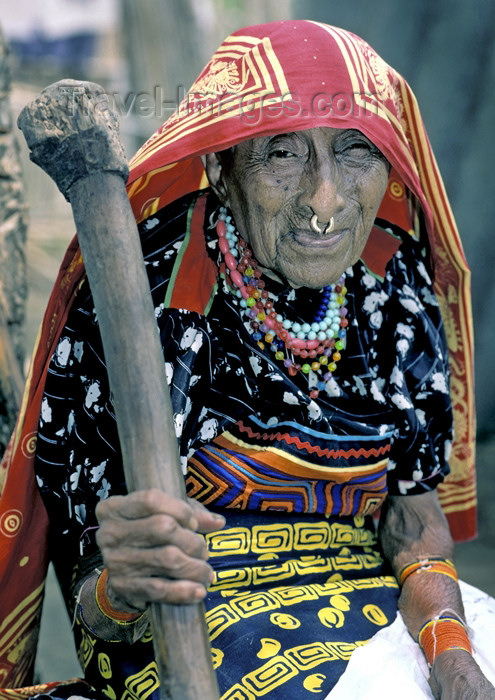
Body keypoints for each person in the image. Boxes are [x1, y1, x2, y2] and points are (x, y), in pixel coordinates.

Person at [1, 19, 494, 700]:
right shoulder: (147, 291)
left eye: (354, 151)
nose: (325, 203)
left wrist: (448, 653)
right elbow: (97, 597)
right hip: (193, 606)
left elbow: (411, 516)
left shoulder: (392, 278)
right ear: (219, 169)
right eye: (282, 156)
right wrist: (123, 586)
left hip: (367, 585)